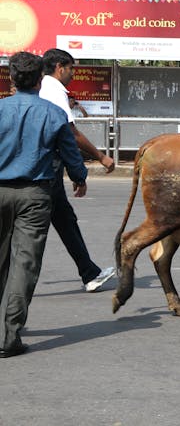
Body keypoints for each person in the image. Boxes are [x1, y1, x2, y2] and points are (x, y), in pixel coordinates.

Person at [0, 52, 88, 358]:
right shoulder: (53, 113)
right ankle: (9, 336)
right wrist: (79, 177)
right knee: (25, 264)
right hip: (36, 195)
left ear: (12, 78)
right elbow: (70, 154)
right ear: (41, 80)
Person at [39, 49, 116, 292]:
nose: (73, 74)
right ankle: (89, 273)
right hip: (46, 169)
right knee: (35, 229)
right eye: (71, 68)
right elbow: (69, 134)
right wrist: (100, 157)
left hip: (42, 168)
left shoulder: (45, 89)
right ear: (60, 67)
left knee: (65, 220)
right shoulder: (54, 91)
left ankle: (89, 273)